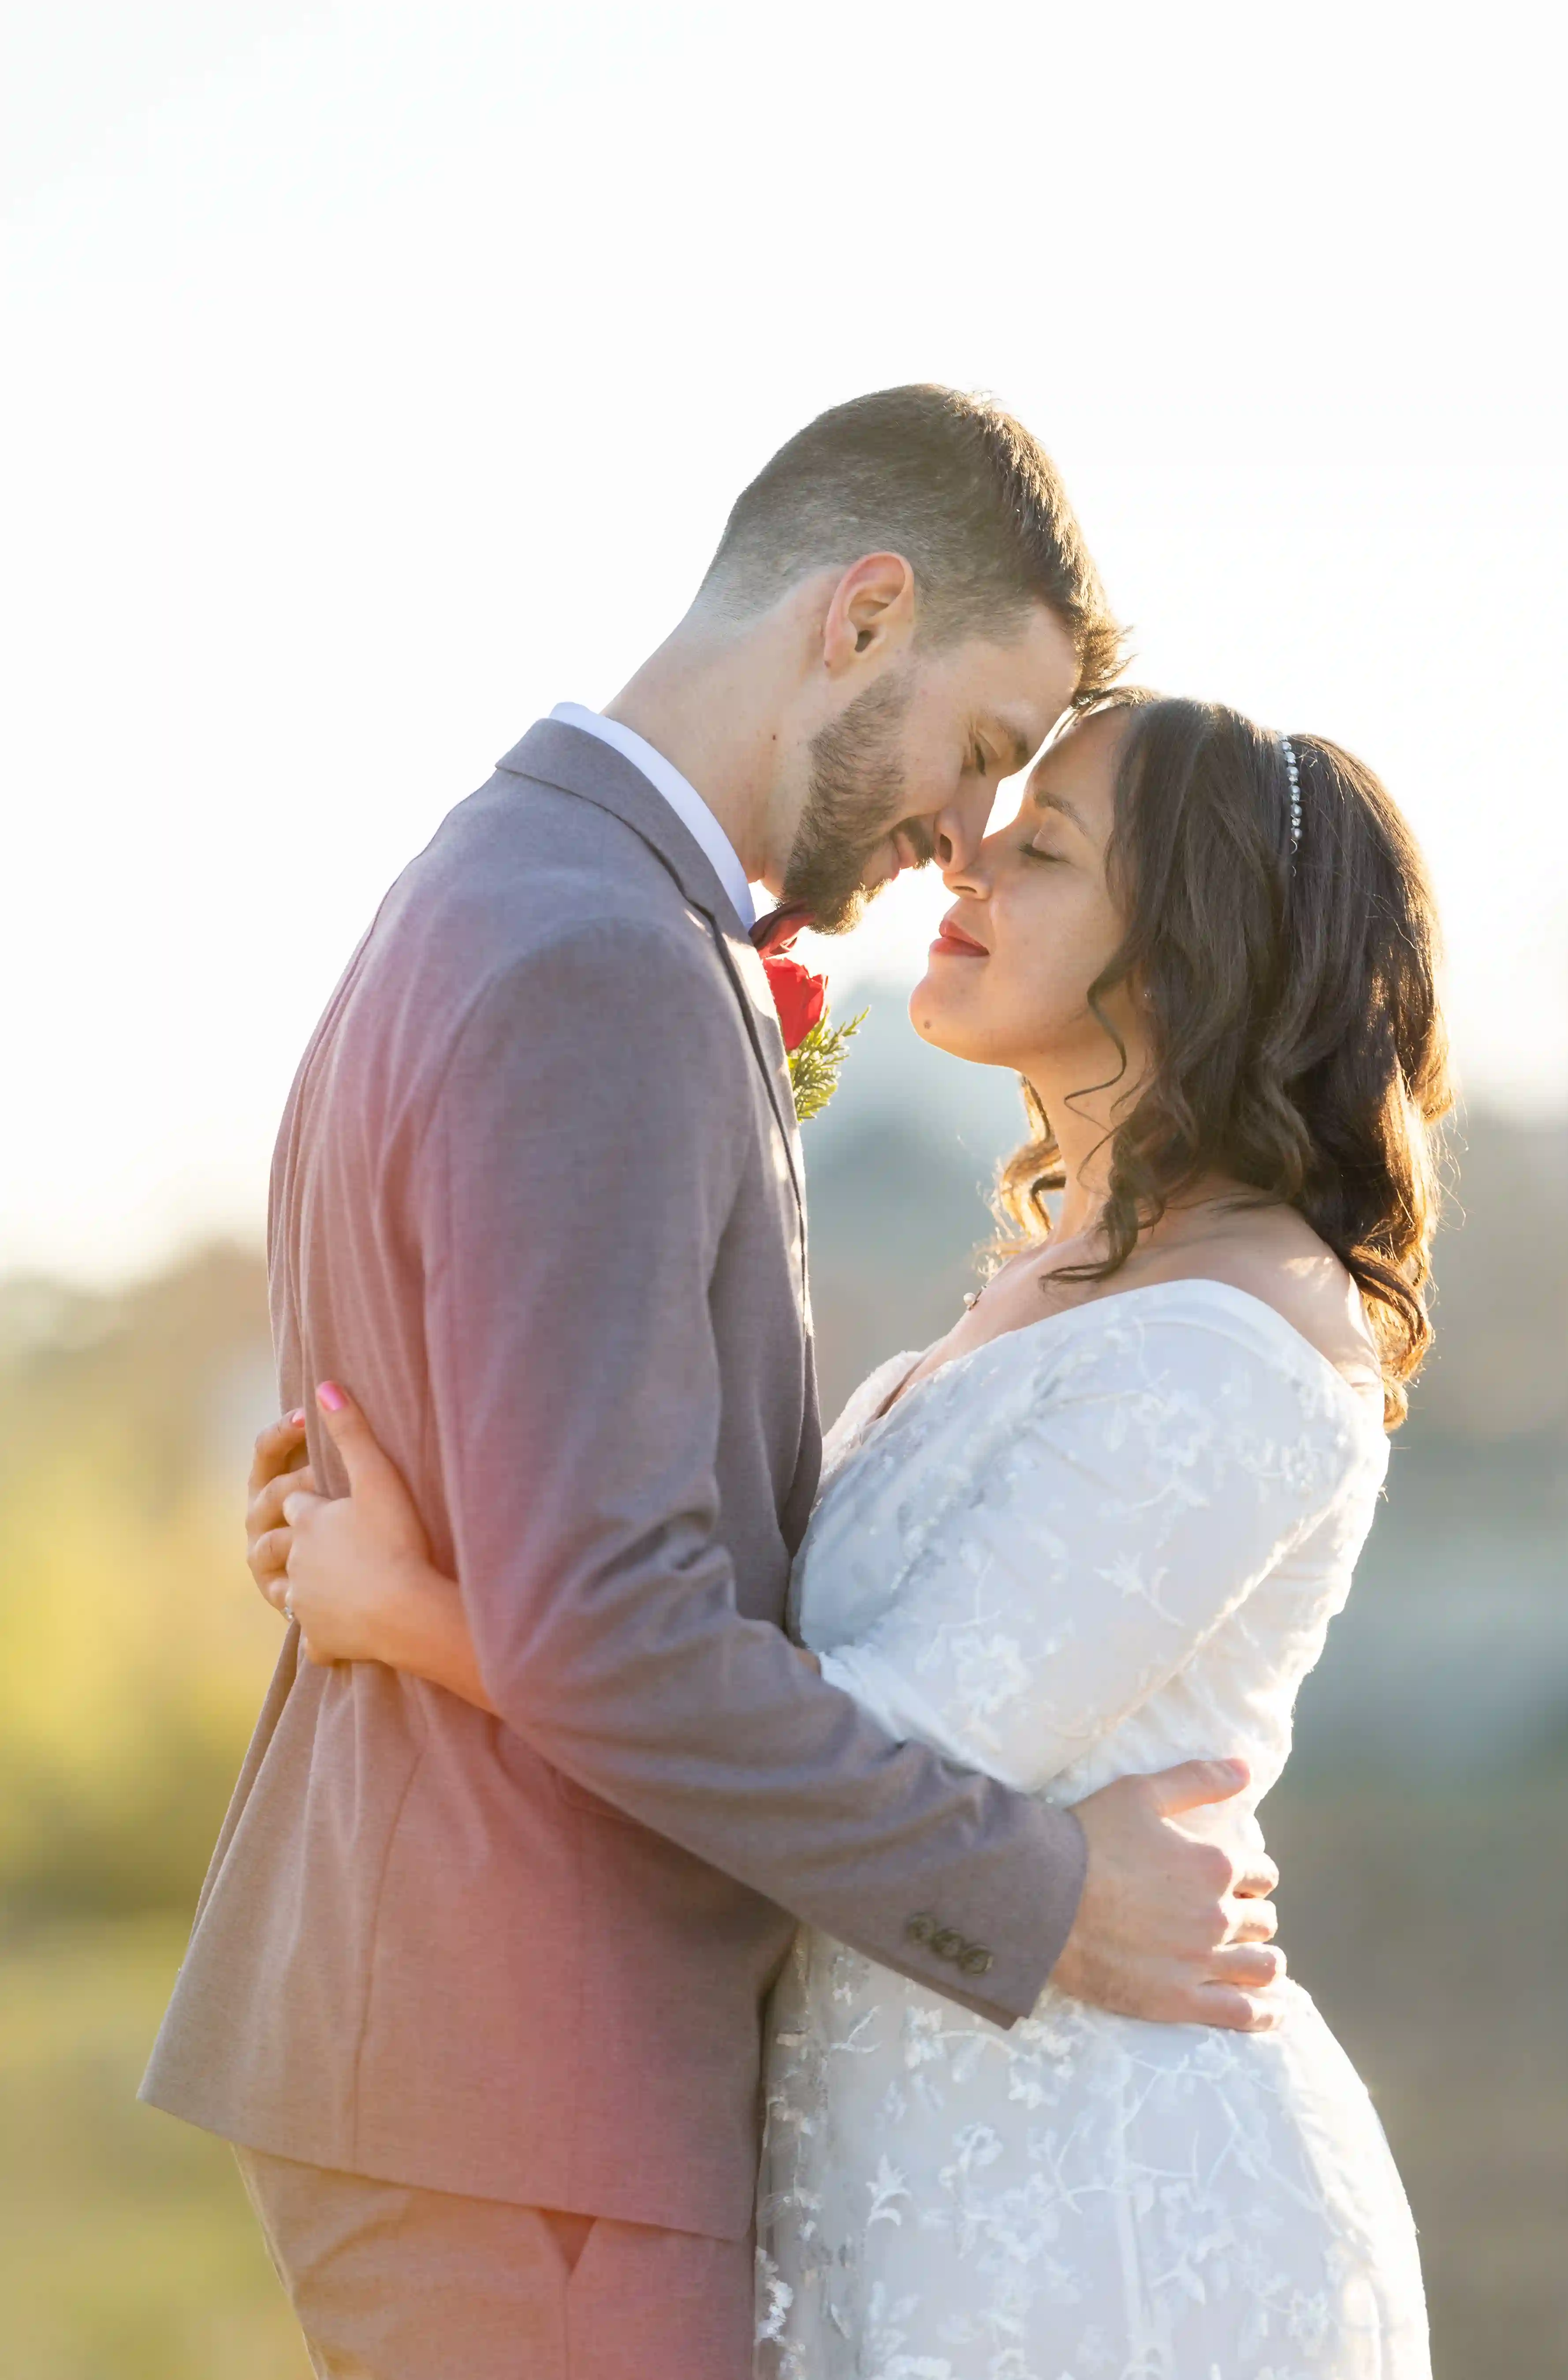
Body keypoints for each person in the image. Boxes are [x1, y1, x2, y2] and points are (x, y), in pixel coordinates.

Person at [142, 386, 1283, 2380]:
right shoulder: (600, 957)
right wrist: (1051, 1896)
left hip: (476, 2063)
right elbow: (616, 1628)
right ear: (859, 617)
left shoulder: (506, 877)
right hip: (529, 2072)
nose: (959, 834)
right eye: (980, 751)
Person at [255, 691, 1448, 2375]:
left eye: (1042, 850)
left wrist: (415, 1611)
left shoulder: (1233, 1346)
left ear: (1194, 950)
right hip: (905, 2174)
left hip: (1089, 2219)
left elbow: (866, 1748)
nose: (968, 854)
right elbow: (766, 1646)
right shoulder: (1056, 1282)